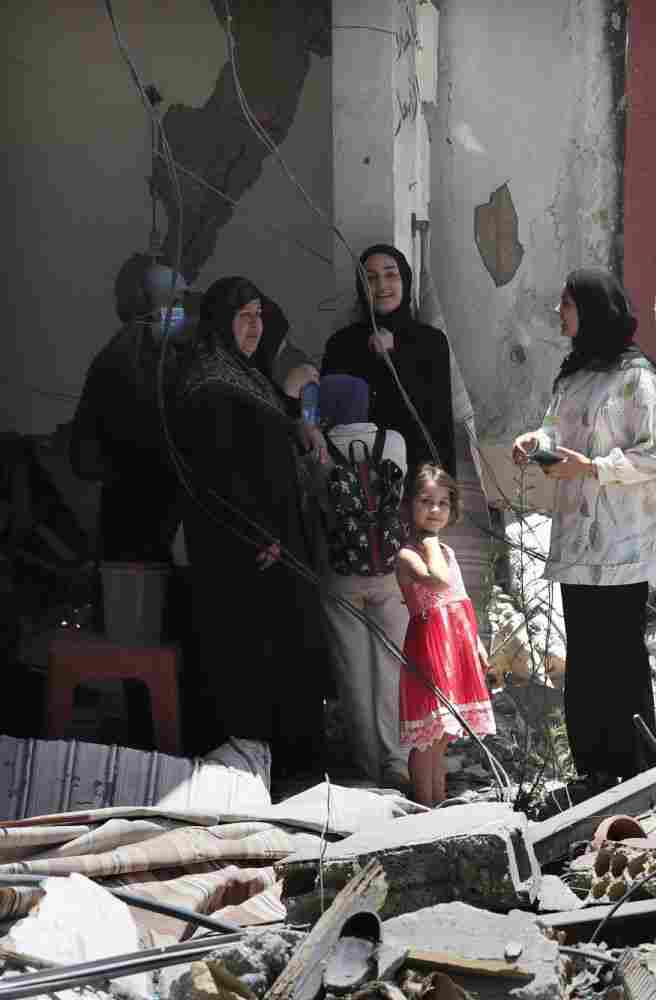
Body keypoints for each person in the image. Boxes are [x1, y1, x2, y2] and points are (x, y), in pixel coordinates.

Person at [510, 268, 656, 793]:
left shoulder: (636, 378)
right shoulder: (574, 375)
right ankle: (593, 769)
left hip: (622, 540)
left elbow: (653, 457)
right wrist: (536, 440)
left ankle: (635, 770)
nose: (560, 313)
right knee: (584, 657)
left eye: (567, 305)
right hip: (579, 539)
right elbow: (558, 427)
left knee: (620, 654)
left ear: (593, 309)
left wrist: (593, 467)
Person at [173, 275, 329, 777]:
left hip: (278, 544)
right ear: (221, 321)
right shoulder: (207, 383)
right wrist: (254, 533)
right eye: (244, 315)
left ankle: (290, 768)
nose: (255, 325)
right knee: (250, 661)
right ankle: (250, 772)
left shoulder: (248, 376)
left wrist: (296, 418)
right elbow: (218, 473)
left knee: (287, 657)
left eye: (259, 314)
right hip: (245, 552)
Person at [310, 374, 411, 789]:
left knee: (354, 671)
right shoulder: (395, 442)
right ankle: (398, 761)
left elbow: (314, 503)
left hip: (340, 573)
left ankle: (370, 769)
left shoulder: (317, 448)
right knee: (393, 667)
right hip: (389, 570)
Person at [70, 254, 189, 563]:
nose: (184, 313)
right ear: (146, 306)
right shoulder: (126, 360)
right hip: (142, 534)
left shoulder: (163, 356)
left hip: (145, 526)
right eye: (175, 302)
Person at [396, 464, 496, 806]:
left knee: (442, 736)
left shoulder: (447, 552)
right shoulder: (409, 555)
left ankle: (438, 803)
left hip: (455, 647)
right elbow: (438, 581)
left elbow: (461, 599)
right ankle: (424, 805)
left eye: (443, 503)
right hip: (430, 649)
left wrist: (477, 644)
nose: (435, 510)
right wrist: (432, 544)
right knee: (427, 737)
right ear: (409, 505)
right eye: (426, 501)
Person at [322, 245, 456, 475]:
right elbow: (326, 416)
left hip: (417, 481)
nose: (382, 286)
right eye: (371, 278)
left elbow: (439, 422)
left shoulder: (431, 342)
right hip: (356, 485)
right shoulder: (341, 344)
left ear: (404, 280)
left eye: (390, 274)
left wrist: (396, 355)